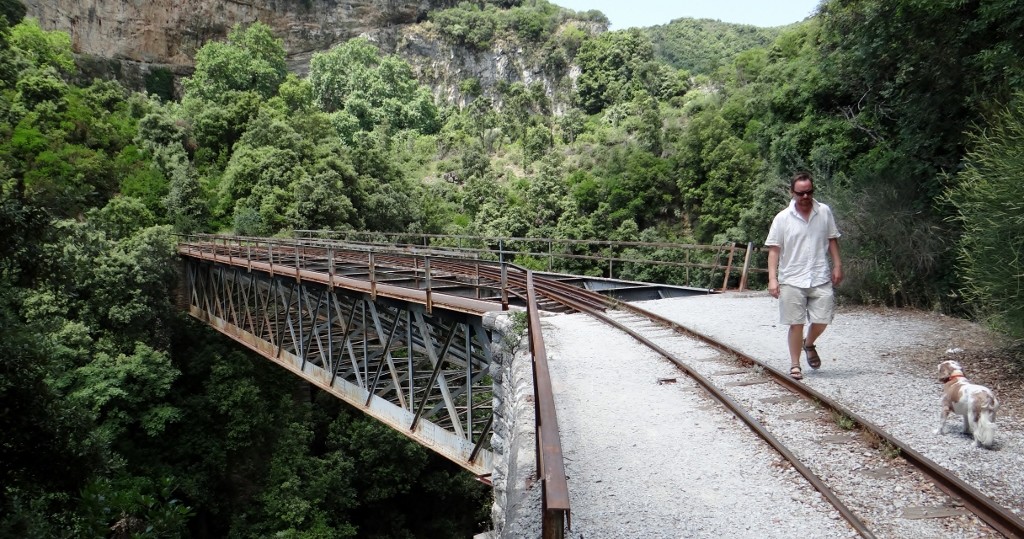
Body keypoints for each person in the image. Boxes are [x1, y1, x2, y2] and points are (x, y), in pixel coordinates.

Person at [765, 172, 843, 380]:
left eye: (809, 192)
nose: (806, 197)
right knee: (795, 322)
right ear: (793, 193)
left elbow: (832, 240)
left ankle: (808, 344)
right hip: (791, 277)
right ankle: (795, 365)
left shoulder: (824, 212)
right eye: (801, 193)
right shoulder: (782, 218)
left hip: (819, 274)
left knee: (824, 318)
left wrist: (837, 265)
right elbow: (774, 250)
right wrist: (773, 279)